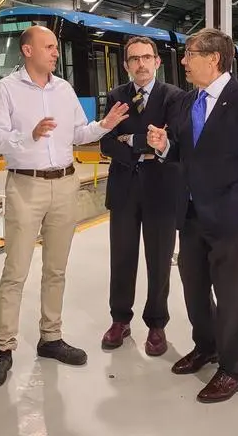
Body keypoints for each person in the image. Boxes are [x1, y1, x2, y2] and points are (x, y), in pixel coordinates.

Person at [0, 25, 129, 389]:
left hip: (64, 184)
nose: (55, 52)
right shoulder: (6, 90)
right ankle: (3, 348)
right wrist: (28, 135)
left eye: (55, 47)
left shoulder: (64, 89)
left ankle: (51, 337)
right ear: (27, 50)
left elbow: (78, 133)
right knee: (15, 271)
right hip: (25, 186)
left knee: (56, 269)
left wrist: (104, 125)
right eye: (48, 46)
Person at [146, 27, 238, 403]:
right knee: (193, 287)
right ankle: (206, 346)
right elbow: (183, 153)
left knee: (231, 294)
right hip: (190, 214)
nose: (184, 61)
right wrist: (164, 146)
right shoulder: (189, 101)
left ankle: (233, 369)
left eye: (190, 54)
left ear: (214, 58)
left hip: (230, 219)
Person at [98, 36, 183, 356]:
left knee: (159, 259)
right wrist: (143, 145)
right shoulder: (117, 96)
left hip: (162, 188)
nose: (141, 64)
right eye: (134, 59)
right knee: (121, 257)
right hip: (124, 188)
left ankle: (156, 323)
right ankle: (120, 319)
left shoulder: (173, 97)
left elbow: (175, 140)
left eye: (147, 58)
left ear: (157, 62)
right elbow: (106, 142)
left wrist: (130, 139)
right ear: (126, 65)